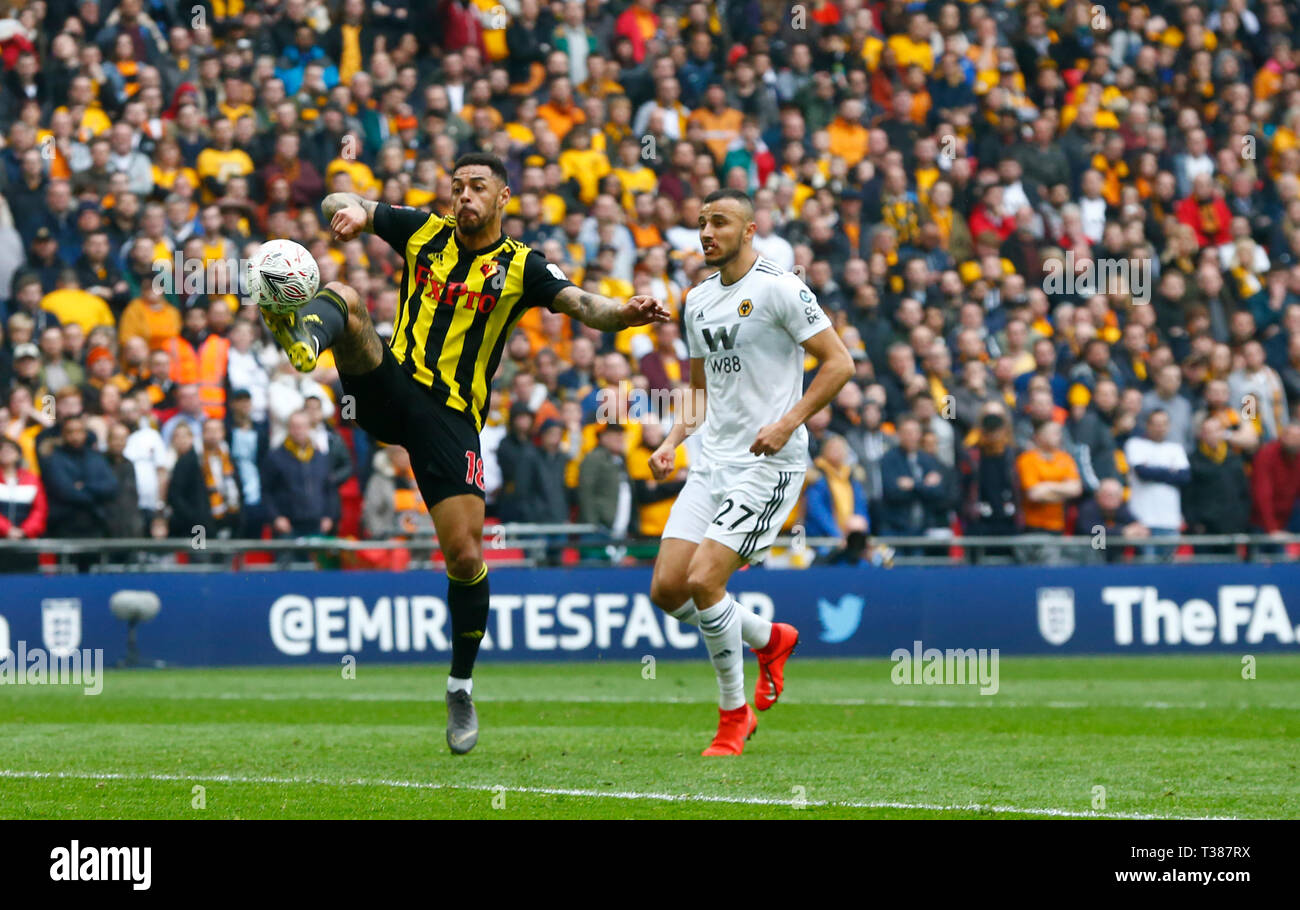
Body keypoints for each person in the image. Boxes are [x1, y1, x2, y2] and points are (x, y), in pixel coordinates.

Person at [258, 152, 668, 754]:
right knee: (343, 293)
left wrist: (626, 315)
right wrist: (345, 212)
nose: (464, 196)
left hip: (450, 421)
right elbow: (338, 204)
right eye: (457, 186)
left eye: (477, 187)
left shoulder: (522, 266)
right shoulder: (423, 231)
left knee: (465, 554)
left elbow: (584, 305)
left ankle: (459, 685)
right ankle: (304, 339)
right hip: (392, 383)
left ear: (503, 197)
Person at [646, 188, 853, 755]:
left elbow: (840, 363)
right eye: (701, 222)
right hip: (711, 461)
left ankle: (734, 716)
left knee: (704, 581)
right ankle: (770, 637)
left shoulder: (781, 288)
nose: (707, 232)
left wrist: (788, 423)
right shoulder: (696, 300)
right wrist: (670, 441)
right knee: (666, 589)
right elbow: (698, 391)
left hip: (767, 464)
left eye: (719, 222)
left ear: (749, 230)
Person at [1124, 409, 1191, 559]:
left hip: (1170, 521)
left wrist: (1154, 469)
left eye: (1163, 424)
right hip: (1143, 520)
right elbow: (1143, 473)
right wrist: (1170, 471)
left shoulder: (1176, 448)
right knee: (1146, 568)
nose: (1159, 428)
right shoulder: (1135, 444)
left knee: (1168, 570)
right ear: (1148, 425)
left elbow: (1184, 477)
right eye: (1156, 424)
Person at [0, 437, 46, 573]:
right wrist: (7, 530)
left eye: (10, 449)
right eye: (2, 449)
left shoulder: (32, 479)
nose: (5, 452)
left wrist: (25, 531)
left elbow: (40, 510)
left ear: (19, 454)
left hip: (26, 542)